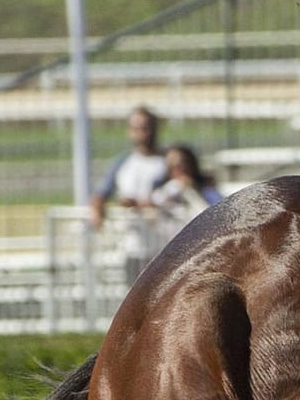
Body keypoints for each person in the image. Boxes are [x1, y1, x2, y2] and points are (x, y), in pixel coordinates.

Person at [89, 106, 172, 285]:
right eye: (136, 129)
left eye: (146, 127)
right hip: (133, 246)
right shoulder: (123, 162)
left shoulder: (167, 161)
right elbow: (102, 193)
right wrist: (97, 209)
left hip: (164, 246)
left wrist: (142, 204)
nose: (142, 134)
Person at [151, 145, 222, 242]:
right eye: (172, 166)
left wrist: (189, 191)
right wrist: (175, 186)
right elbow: (157, 200)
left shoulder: (206, 189)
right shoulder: (165, 190)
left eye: (182, 164)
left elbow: (209, 212)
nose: (178, 170)